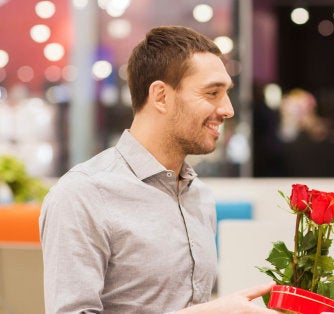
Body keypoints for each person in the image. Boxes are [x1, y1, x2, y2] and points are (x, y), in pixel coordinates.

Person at [39, 26, 276, 313]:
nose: (227, 109)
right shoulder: (83, 194)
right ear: (161, 96)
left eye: (226, 93)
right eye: (212, 93)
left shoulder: (199, 196)